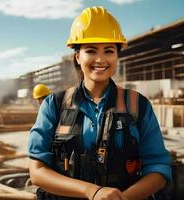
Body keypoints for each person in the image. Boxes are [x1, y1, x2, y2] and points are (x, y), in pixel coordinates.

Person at [28, 6, 171, 200]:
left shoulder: (138, 105)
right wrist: (92, 191)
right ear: (78, 56)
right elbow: (37, 171)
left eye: (109, 51)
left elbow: (159, 169)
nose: (100, 59)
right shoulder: (54, 105)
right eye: (91, 50)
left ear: (117, 56)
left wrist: (123, 198)